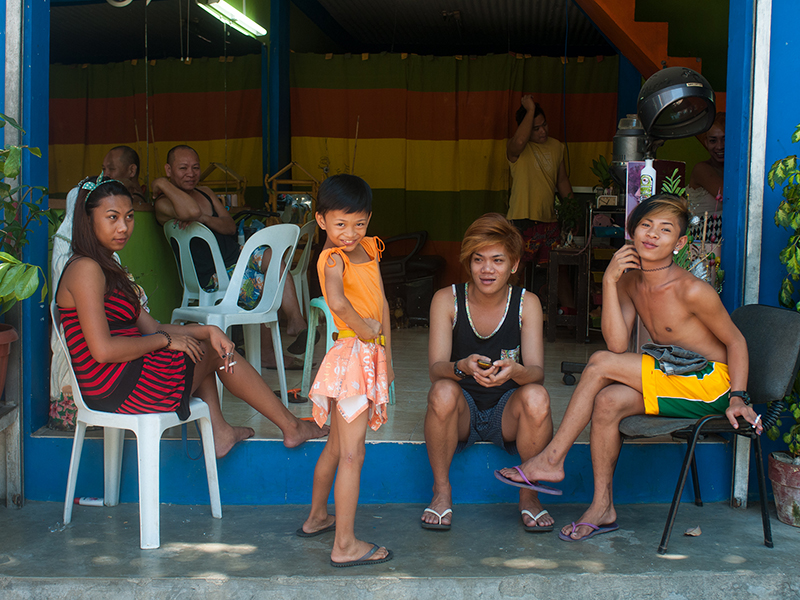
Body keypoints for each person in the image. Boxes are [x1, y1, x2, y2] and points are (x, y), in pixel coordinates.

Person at [496, 194, 761, 542]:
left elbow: (737, 342)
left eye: (665, 230)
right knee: (607, 401)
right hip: (676, 377)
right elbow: (618, 343)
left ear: (679, 243)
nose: (652, 235)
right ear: (632, 232)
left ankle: (552, 458)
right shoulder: (630, 281)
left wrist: (738, 398)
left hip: (713, 386)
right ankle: (602, 507)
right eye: (646, 226)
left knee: (601, 363)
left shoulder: (691, 290)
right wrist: (609, 281)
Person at [56, 175, 328, 458]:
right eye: (112, 217)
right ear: (88, 220)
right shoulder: (85, 269)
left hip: (122, 375)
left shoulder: (107, 267)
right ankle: (291, 426)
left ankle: (220, 432)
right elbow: (103, 350)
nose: (123, 227)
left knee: (198, 342)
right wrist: (165, 341)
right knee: (209, 352)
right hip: (112, 385)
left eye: (129, 217)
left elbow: (153, 326)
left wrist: (207, 330)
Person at [421, 213, 555, 532]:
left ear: (513, 264)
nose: (487, 269)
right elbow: (436, 369)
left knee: (537, 397)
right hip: (462, 412)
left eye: (497, 260)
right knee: (441, 391)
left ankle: (529, 496)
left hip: (507, 412)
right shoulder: (447, 299)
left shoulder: (527, 303)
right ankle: (441, 491)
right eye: (478, 259)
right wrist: (460, 366)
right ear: (468, 262)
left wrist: (515, 371)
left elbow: (536, 374)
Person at [297, 174, 393, 567]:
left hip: (370, 356)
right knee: (353, 456)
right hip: (352, 357)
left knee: (337, 447)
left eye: (359, 223)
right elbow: (335, 299)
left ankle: (318, 517)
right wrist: (365, 327)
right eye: (340, 224)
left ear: (368, 220)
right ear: (321, 221)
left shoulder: (369, 249)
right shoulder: (331, 258)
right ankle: (345, 545)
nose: (350, 233)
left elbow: (383, 302)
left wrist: (387, 354)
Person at [152, 145, 313, 369]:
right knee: (264, 282)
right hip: (211, 275)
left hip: (234, 261)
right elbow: (189, 212)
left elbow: (228, 226)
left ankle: (296, 322)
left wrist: (205, 218)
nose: (191, 173)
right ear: (168, 170)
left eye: (195, 167)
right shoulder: (163, 203)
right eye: (183, 168)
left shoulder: (206, 193)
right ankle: (266, 353)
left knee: (271, 258)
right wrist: (160, 184)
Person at [507, 95, 575, 311]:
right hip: (522, 219)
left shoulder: (557, 147)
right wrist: (529, 110)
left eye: (544, 124)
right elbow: (519, 141)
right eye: (535, 128)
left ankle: (570, 314)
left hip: (549, 221)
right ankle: (502, 312)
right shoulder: (516, 148)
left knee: (558, 269)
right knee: (517, 269)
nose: (542, 131)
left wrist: (572, 211)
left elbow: (562, 181)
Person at [688, 112, 725, 255]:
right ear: (705, 143)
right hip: (701, 245)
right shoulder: (702, 169)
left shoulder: (731, 170)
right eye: (713, 140)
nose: (719, 146)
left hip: (722, 244)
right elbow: (728, 196)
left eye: (725, 139)